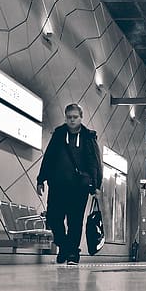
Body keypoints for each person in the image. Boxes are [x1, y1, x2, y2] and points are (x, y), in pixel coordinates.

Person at [37, 104, 102, 265]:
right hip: (57, 185)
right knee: (53, 218)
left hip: (79, 187)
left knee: (75, 221)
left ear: (81, 118)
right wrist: (41, 179)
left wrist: (96, 185)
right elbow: (49, 157)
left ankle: (73, 253)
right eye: (69, 117)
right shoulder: (59, 134)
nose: (72, 120)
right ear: (65, 117)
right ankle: (65, 247)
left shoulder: (88, 137)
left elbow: (95, 162)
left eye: (75, 117)